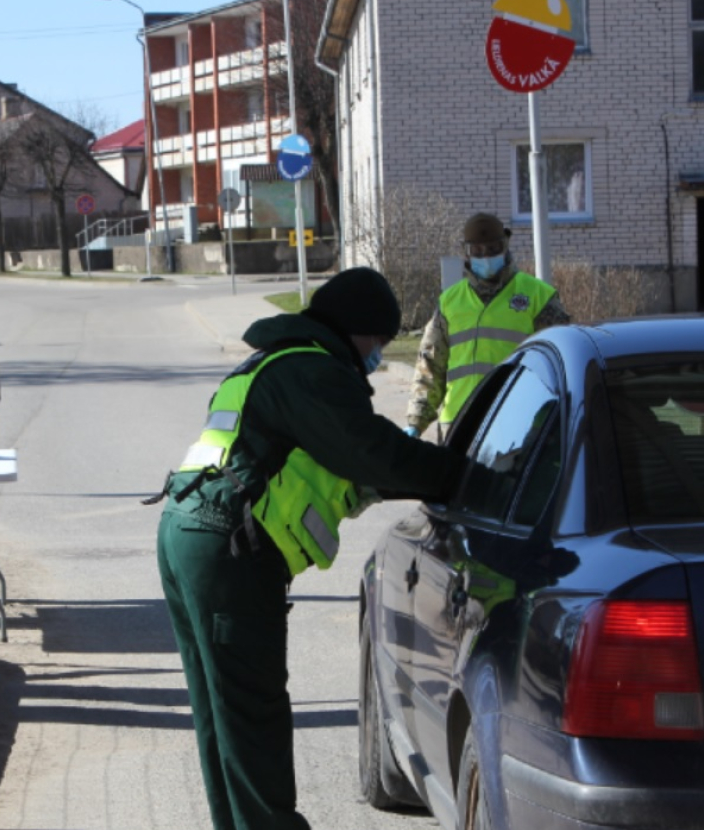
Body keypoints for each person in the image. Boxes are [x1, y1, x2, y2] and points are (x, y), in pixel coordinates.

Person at [153, 267, 469, 830]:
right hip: (227, 546)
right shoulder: (313, 372)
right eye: (375, 343)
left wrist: (416, 476)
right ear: (353, 330)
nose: (375, 357)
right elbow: (374, 452)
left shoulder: (272, 363)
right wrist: (465, 476)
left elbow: (348, 466)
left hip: (189, 530)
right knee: (253, 713)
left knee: (222, 711)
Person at [405, 212, 570, 440]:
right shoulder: (449, 302)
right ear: (466, 252)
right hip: (459, 424)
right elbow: (430, 366)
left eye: (493, 249)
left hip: (518, 422)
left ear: (505, 246)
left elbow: (559, 363)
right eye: (478, 251)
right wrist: (416, 420)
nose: (486, 257)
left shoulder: (538, 297)